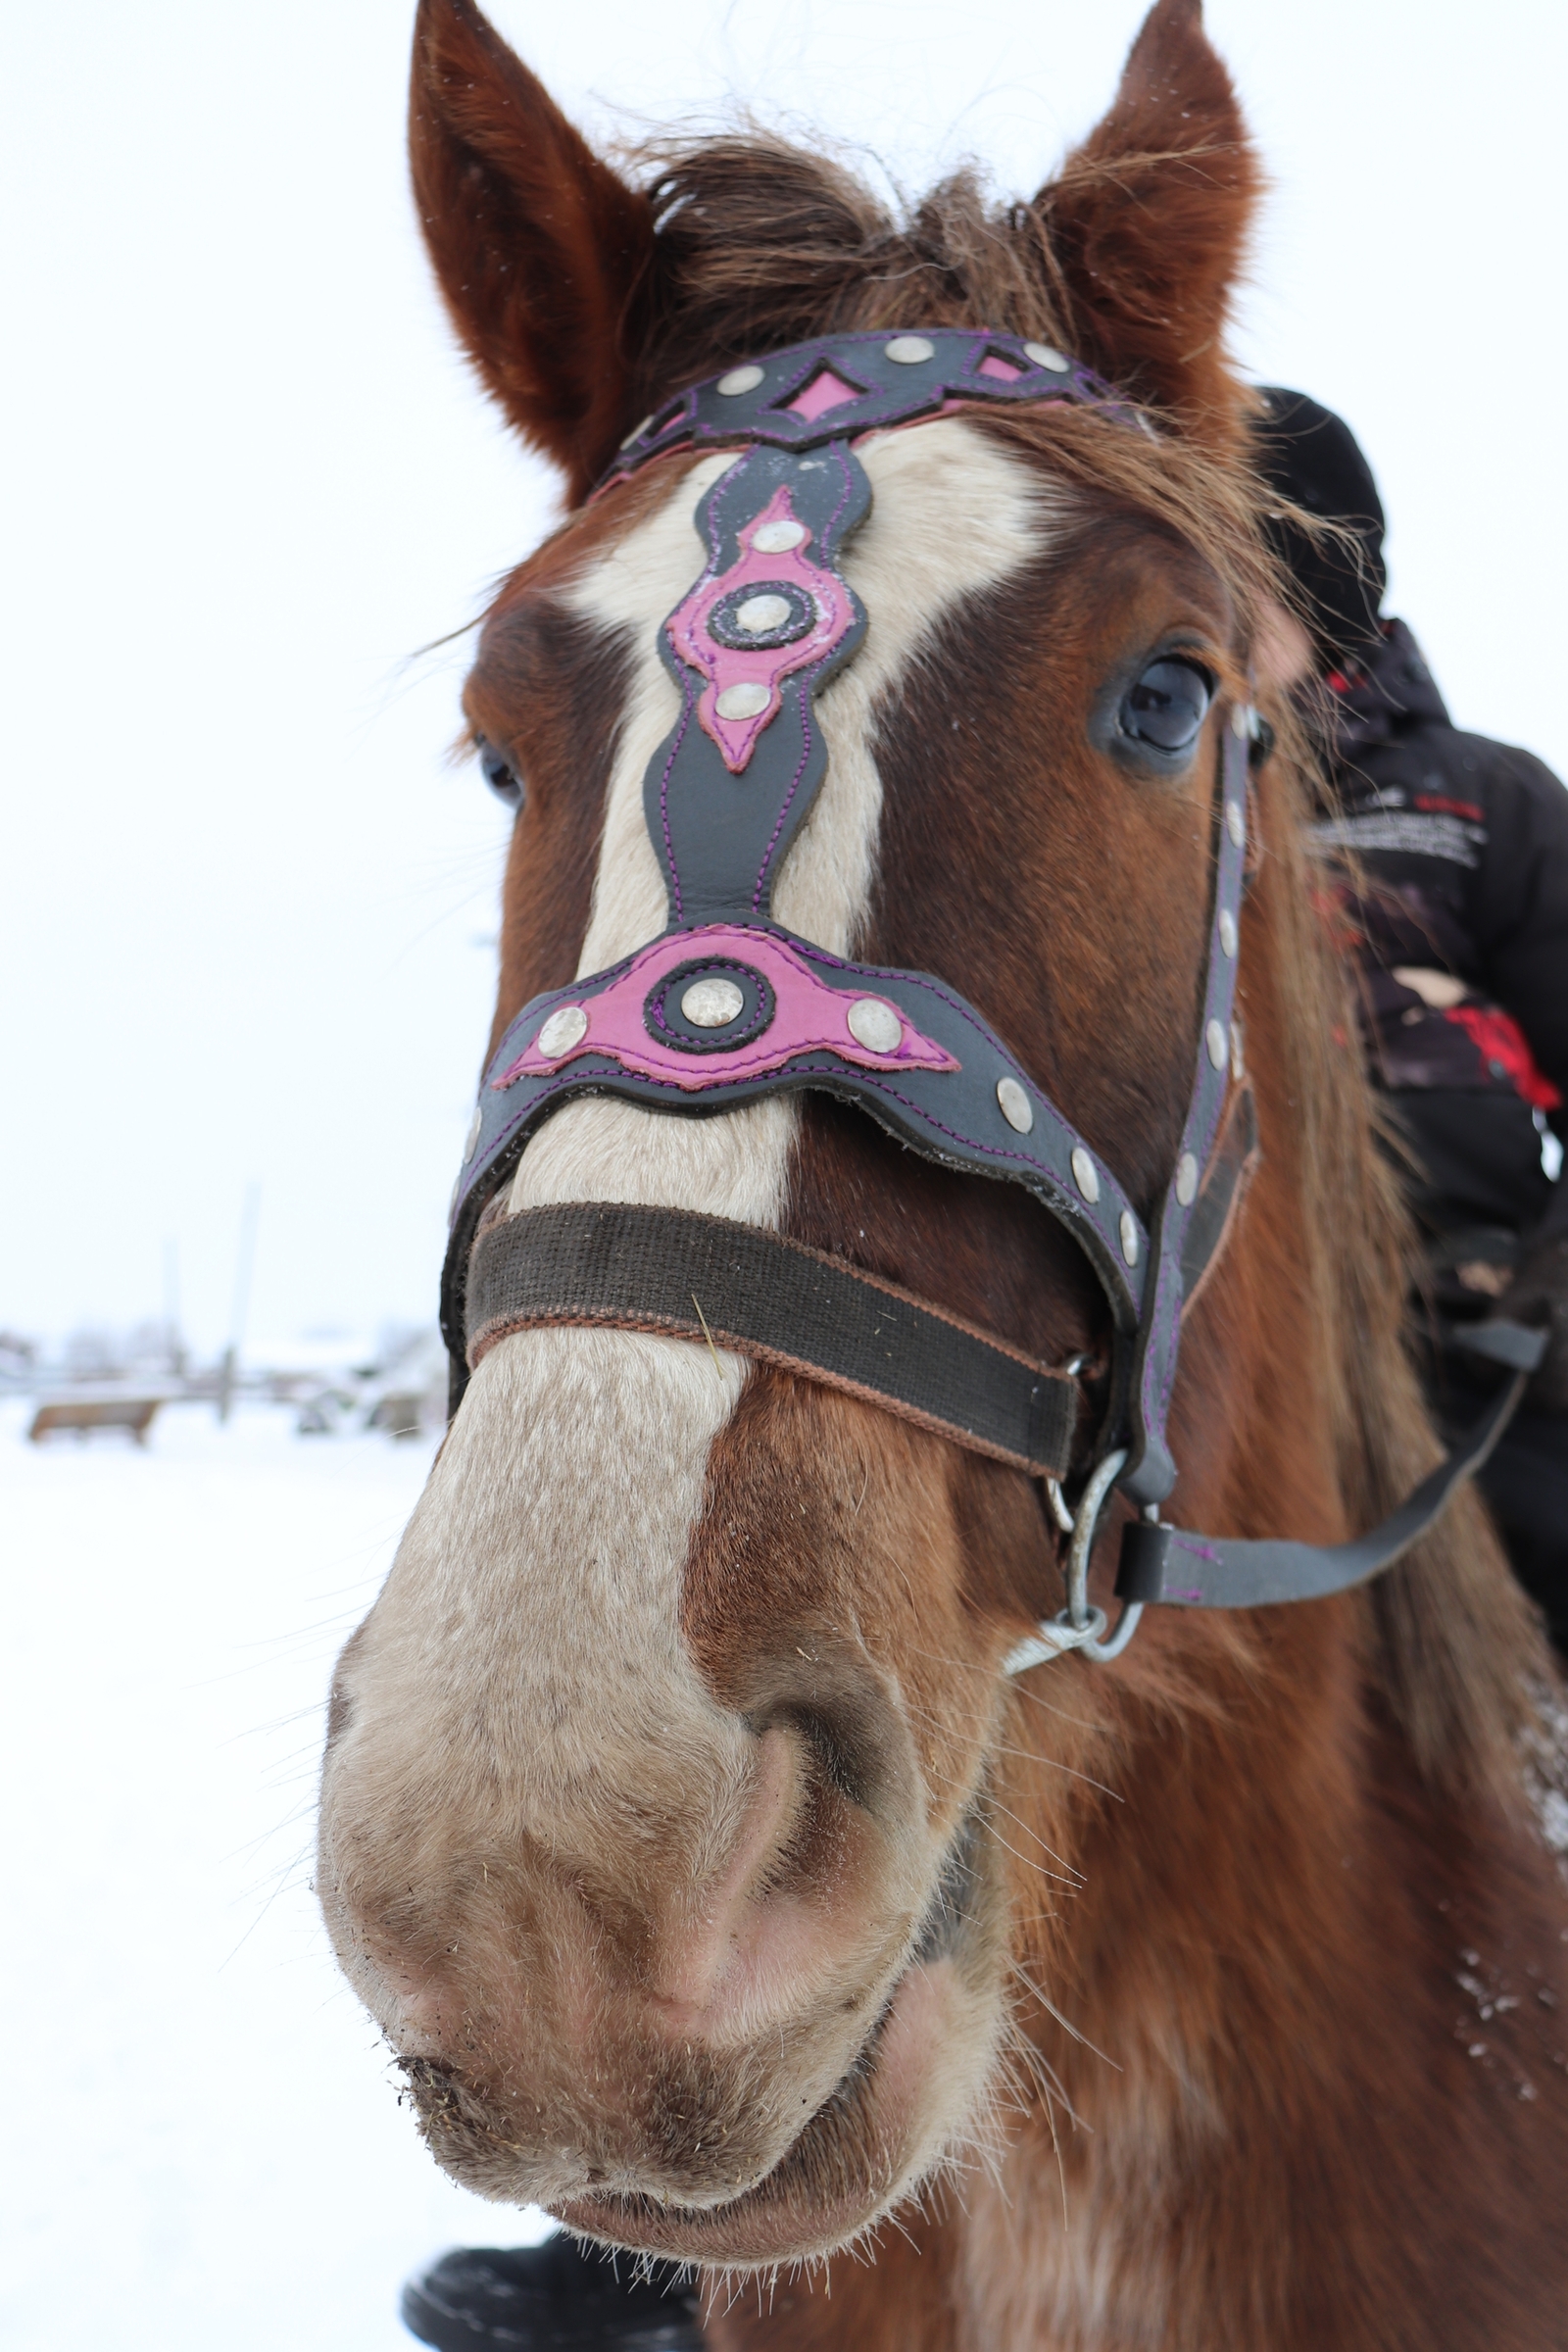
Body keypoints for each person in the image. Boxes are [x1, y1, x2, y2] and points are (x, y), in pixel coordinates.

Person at [1252, 389, 1568, 1653]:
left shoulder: (1485, 796)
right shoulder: (1142, 819)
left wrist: (1547, 1305)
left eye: (1240, 571)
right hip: (1225, 1329)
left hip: (1472, 1339)